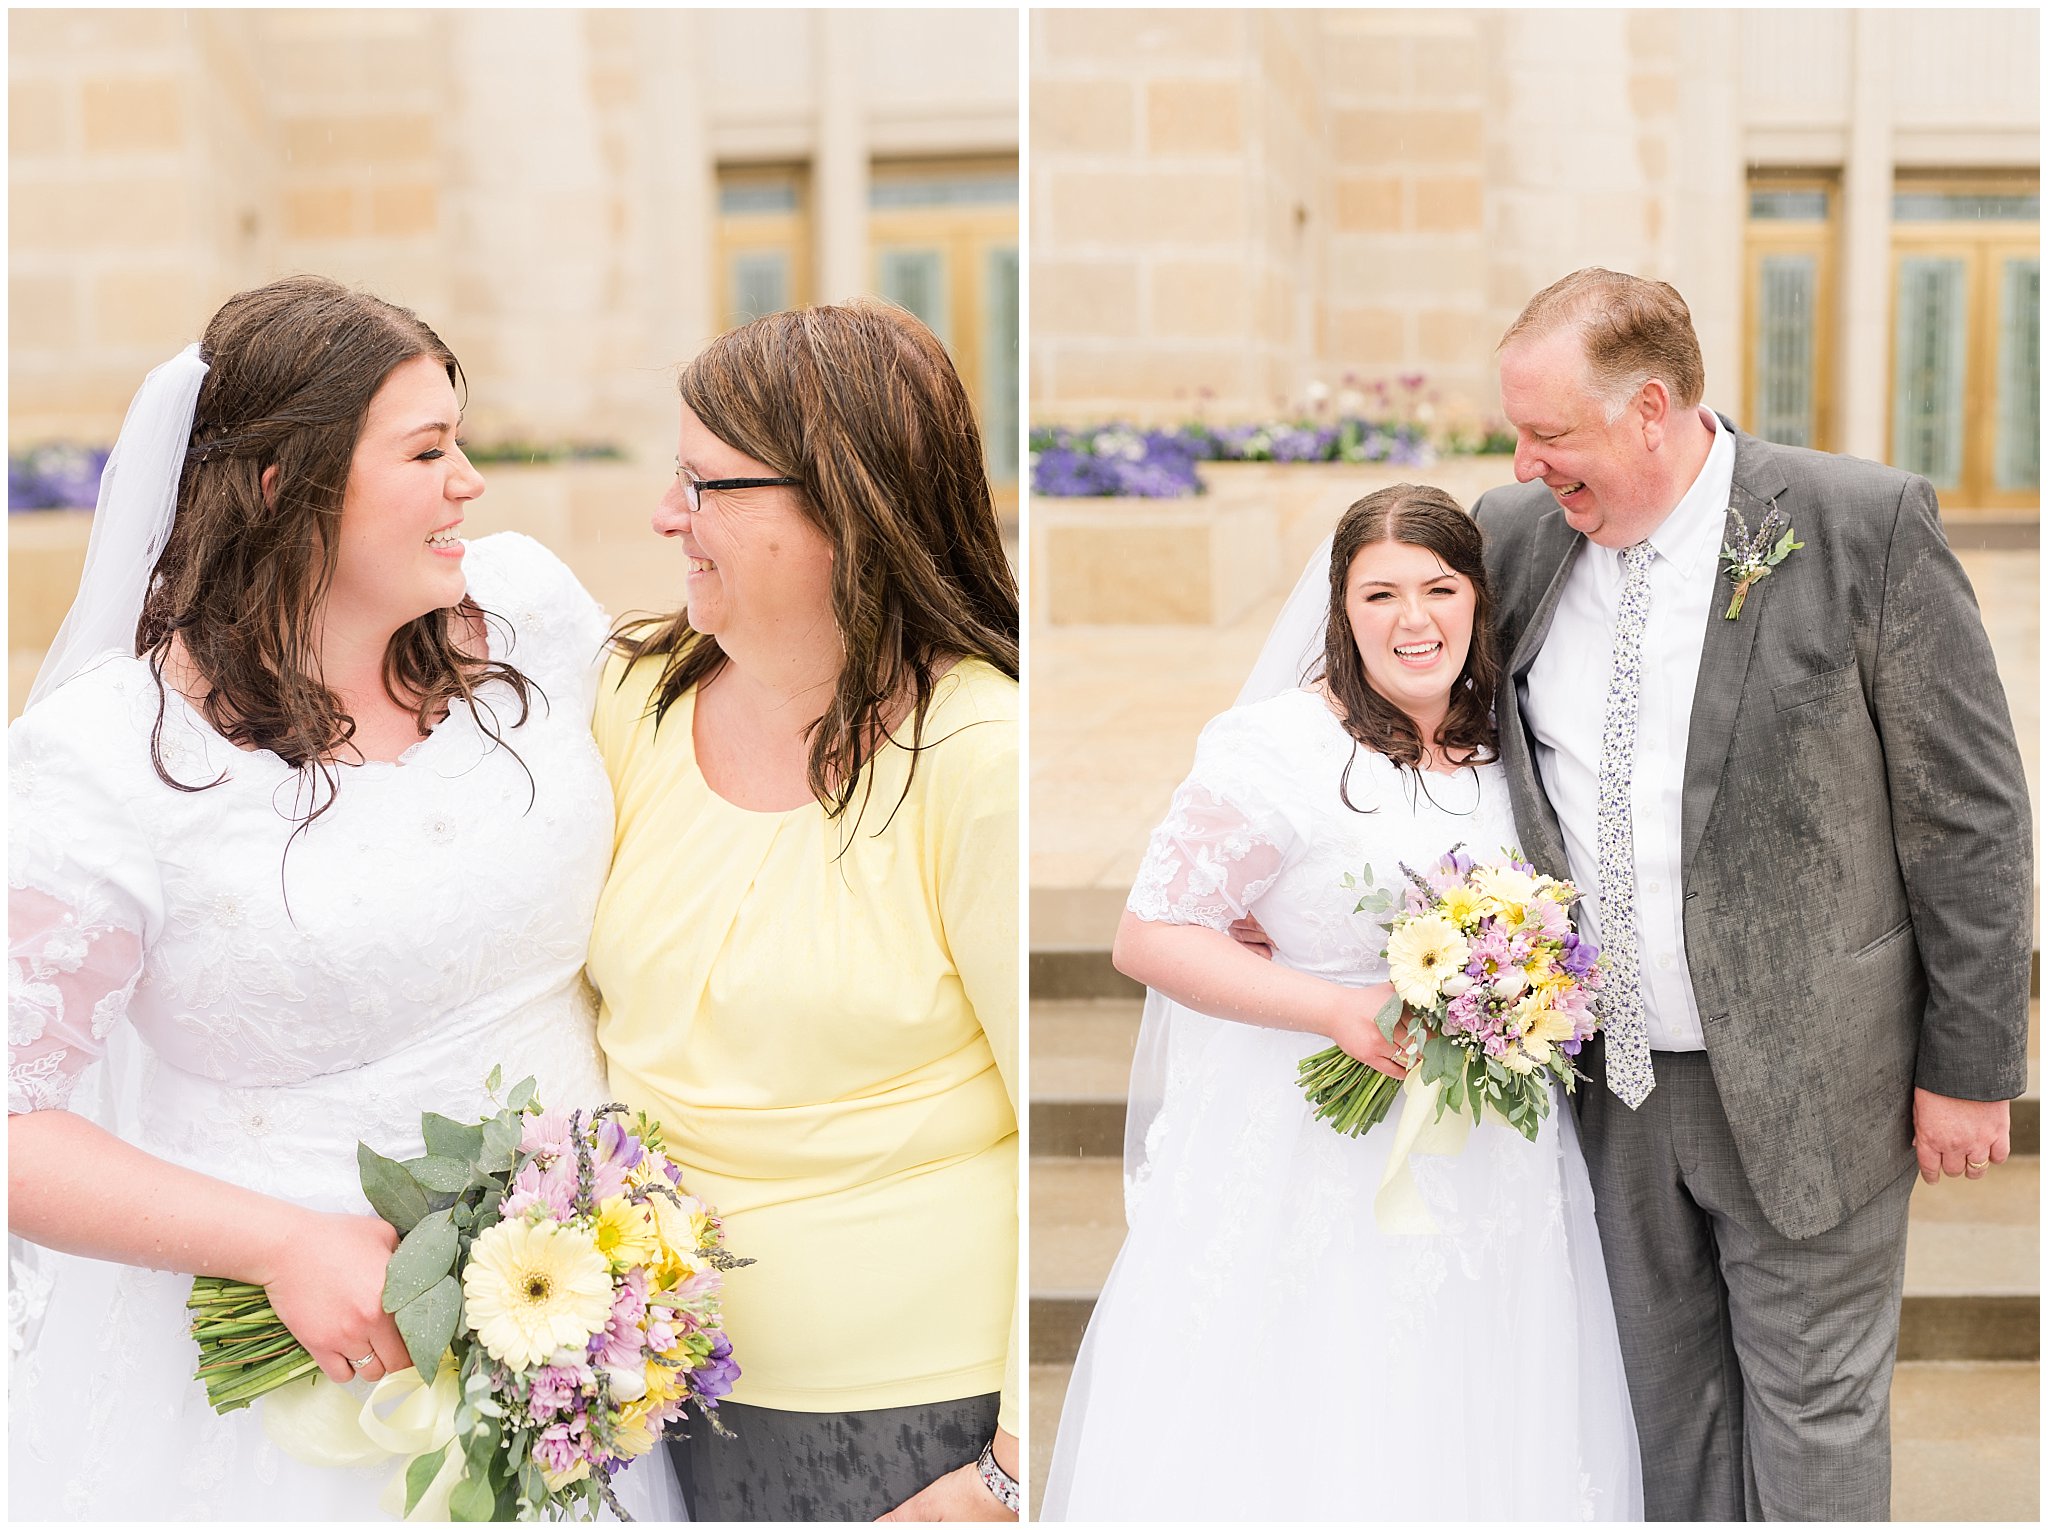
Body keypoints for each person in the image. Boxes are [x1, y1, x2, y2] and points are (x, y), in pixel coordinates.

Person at [5, 275, 651, 1518]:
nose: (469, 480)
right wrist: (280, 1246)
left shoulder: (527, 611)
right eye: (427, 449)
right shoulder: (98, 763)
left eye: (460, 439)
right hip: (298, 1383)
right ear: (278, 487)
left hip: (595, 1330)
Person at [1473, 267, 2032, 1521]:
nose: (1523, 463)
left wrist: (1973, 1062)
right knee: (1655, 1417)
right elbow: (1430, 730)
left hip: (1815, 1079)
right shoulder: (1510, 540)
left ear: (1651, 410)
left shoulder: (1857, 525)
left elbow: (1970, 813)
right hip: (1604, 1083)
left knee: (1814, 1416)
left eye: (1550, 435)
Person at [1040, 486, 1642, 1520]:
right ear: (1340, 608)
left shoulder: (1517, 746)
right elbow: (1150, 935)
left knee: (1477, 1404)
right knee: (1324, 1404)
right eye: (1381, 594)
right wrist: (1330, 1011)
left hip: (1490, 1154)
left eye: (1439, 588)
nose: (1414, 620)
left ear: (1475, 600)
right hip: (1309, 1144)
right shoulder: (1272, 748)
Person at [587, 299, 1022, 1521]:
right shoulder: (632, 694)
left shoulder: (978, 755)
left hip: (909, 1435)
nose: (667, 514)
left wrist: (1001, 1480)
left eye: (704, 483)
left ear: (838, 504)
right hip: (646, 1408)